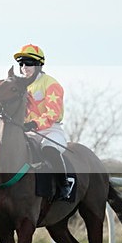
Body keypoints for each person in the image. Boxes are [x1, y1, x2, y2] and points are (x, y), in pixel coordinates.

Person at [14, 43, 74, 200]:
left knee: (49, 150)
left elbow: (52, 113)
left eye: (29, 63)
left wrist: (34, 124)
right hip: (29, 131)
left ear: (39, 65)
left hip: (51, 130)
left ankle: (64, 186)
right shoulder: (20, 86)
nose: (24, 67)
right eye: (21, 64)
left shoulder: (51, 83)